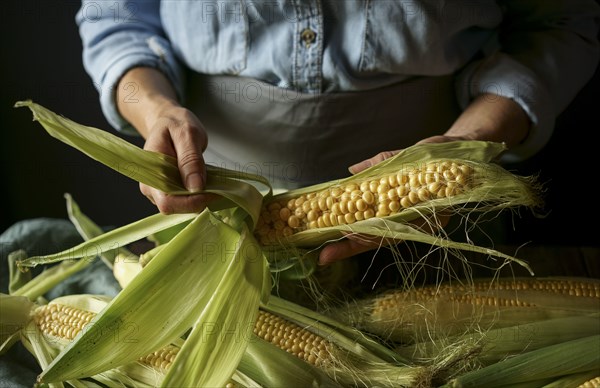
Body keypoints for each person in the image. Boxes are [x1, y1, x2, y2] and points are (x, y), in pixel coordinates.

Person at [76, 1, 600, 265]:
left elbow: (557, 22)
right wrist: (154, 111)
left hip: (439, 216)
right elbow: (114, 18)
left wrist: (463, 152)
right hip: (215, 210)